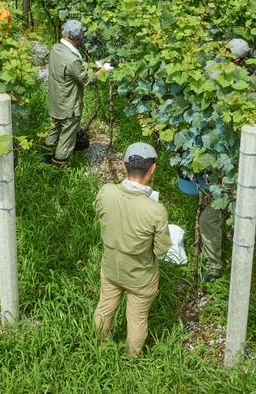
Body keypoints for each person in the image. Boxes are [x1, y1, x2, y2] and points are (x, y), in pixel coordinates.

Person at [199, 38, 256, 280]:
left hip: (230, 158)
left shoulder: (219, 74)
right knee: (229, 204)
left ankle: (214, 267)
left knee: (211, 216)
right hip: (236, 156)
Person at [93, 142, 172, 357]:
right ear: (152, 169)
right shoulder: (155, 210)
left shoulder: (106, 192)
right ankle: (131, 358)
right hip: (141, 276)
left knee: (105, 308)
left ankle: (100, 347)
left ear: (123, 166)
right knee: (137, 319)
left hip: (112, 268)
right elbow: (163, 248)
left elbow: (99, 212)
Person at [42, 19, 109, 167]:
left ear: (62, 32)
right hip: (69, 105)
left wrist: (94, 64)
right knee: (67, 136)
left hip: (56, 100)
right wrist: (102, 70)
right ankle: (58, 168)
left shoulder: (55, 49)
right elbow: (86, 80)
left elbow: (74, 67)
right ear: (81, 38)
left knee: (54, 128)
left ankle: (45, 159)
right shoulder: (72, 60)